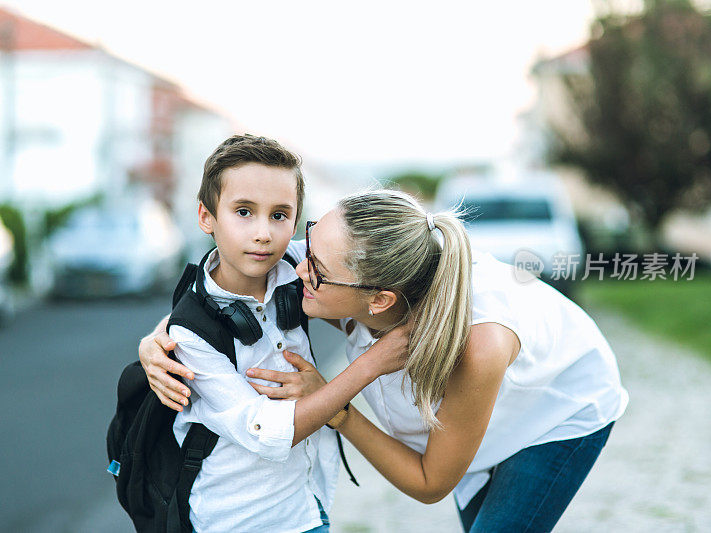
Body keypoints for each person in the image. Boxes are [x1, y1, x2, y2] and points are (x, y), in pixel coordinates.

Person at [141, 189, 629, 532]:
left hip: (560, 406)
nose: (297, 268)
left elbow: (430, 481)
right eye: (307, 243)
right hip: (484, 400)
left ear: (380, 301)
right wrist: (162, 337)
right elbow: (231, 281)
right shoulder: (342, 270)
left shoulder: (477, 346)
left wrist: (336, 408)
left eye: (317, 269)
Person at [155, 134, 342, 533]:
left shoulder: (296, 264)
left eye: (279, 215)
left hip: (307, 509)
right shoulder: (190, 332)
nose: (264, 233)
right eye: (243, 211)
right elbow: (266, 433)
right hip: (235, 520)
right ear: (206, 216)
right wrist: (373, 366)